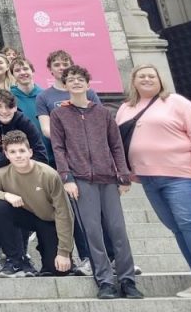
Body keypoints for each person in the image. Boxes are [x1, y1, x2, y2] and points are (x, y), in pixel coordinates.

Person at [49, 65, 141, 299]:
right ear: (66, 85)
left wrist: (123, 175)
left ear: (88, 85)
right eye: (71, 80)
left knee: (117, 230)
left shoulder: (102, 113)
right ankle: (105, 281)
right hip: (80, 180)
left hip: (108, 177)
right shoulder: (58, 114)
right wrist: (66, 177)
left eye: (81, 79)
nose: (76, 83)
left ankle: (127, 279)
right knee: (93, 231)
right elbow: (58, 148)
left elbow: (116, 145)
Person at [115, 64, 191, 298]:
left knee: (189, 223)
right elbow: (118, 143)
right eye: (141, 76)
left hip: (181, 174)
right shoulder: (125, 108)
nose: (146, 79)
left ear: (160, 80)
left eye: (151, 76)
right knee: (176, 228)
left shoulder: (177, 102)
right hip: (148, 178)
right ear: (133, 81)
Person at [0, 130, 73, 278]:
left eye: (22, 150)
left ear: (30, 152)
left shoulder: (48, 174)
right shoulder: (1, 174)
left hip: (48, 221)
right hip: (24, 217)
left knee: (59, 270)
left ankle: (46, 252)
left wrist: (64, 252)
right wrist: (4, 195)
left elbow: (64, 213)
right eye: (13, 152)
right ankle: (15, 260)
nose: (18, 155)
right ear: (7, 155)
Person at [35, 50, 102, 143]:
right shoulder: (43, 97)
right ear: (50, 69)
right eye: (57, 65)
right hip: (61, 149)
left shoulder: (88, 92)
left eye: (65, 64)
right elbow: (46, 130)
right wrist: (70, 141)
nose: (61, 68)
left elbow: (100, 120)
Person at [0, 90, 49, 170]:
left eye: (9, 107)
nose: (4, 111)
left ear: (15, 108)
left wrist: (22, 163)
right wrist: (19, 160)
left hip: (24, 162)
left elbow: (41, 155)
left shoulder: (25, 122)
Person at [10, 58, 51, 166]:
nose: (22, 72)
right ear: (12, 75)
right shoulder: (9, 98)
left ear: (32, 71)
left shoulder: (45, 95)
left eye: (25, 69)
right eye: (17, 70)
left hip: (51, 152)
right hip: (26, 156)